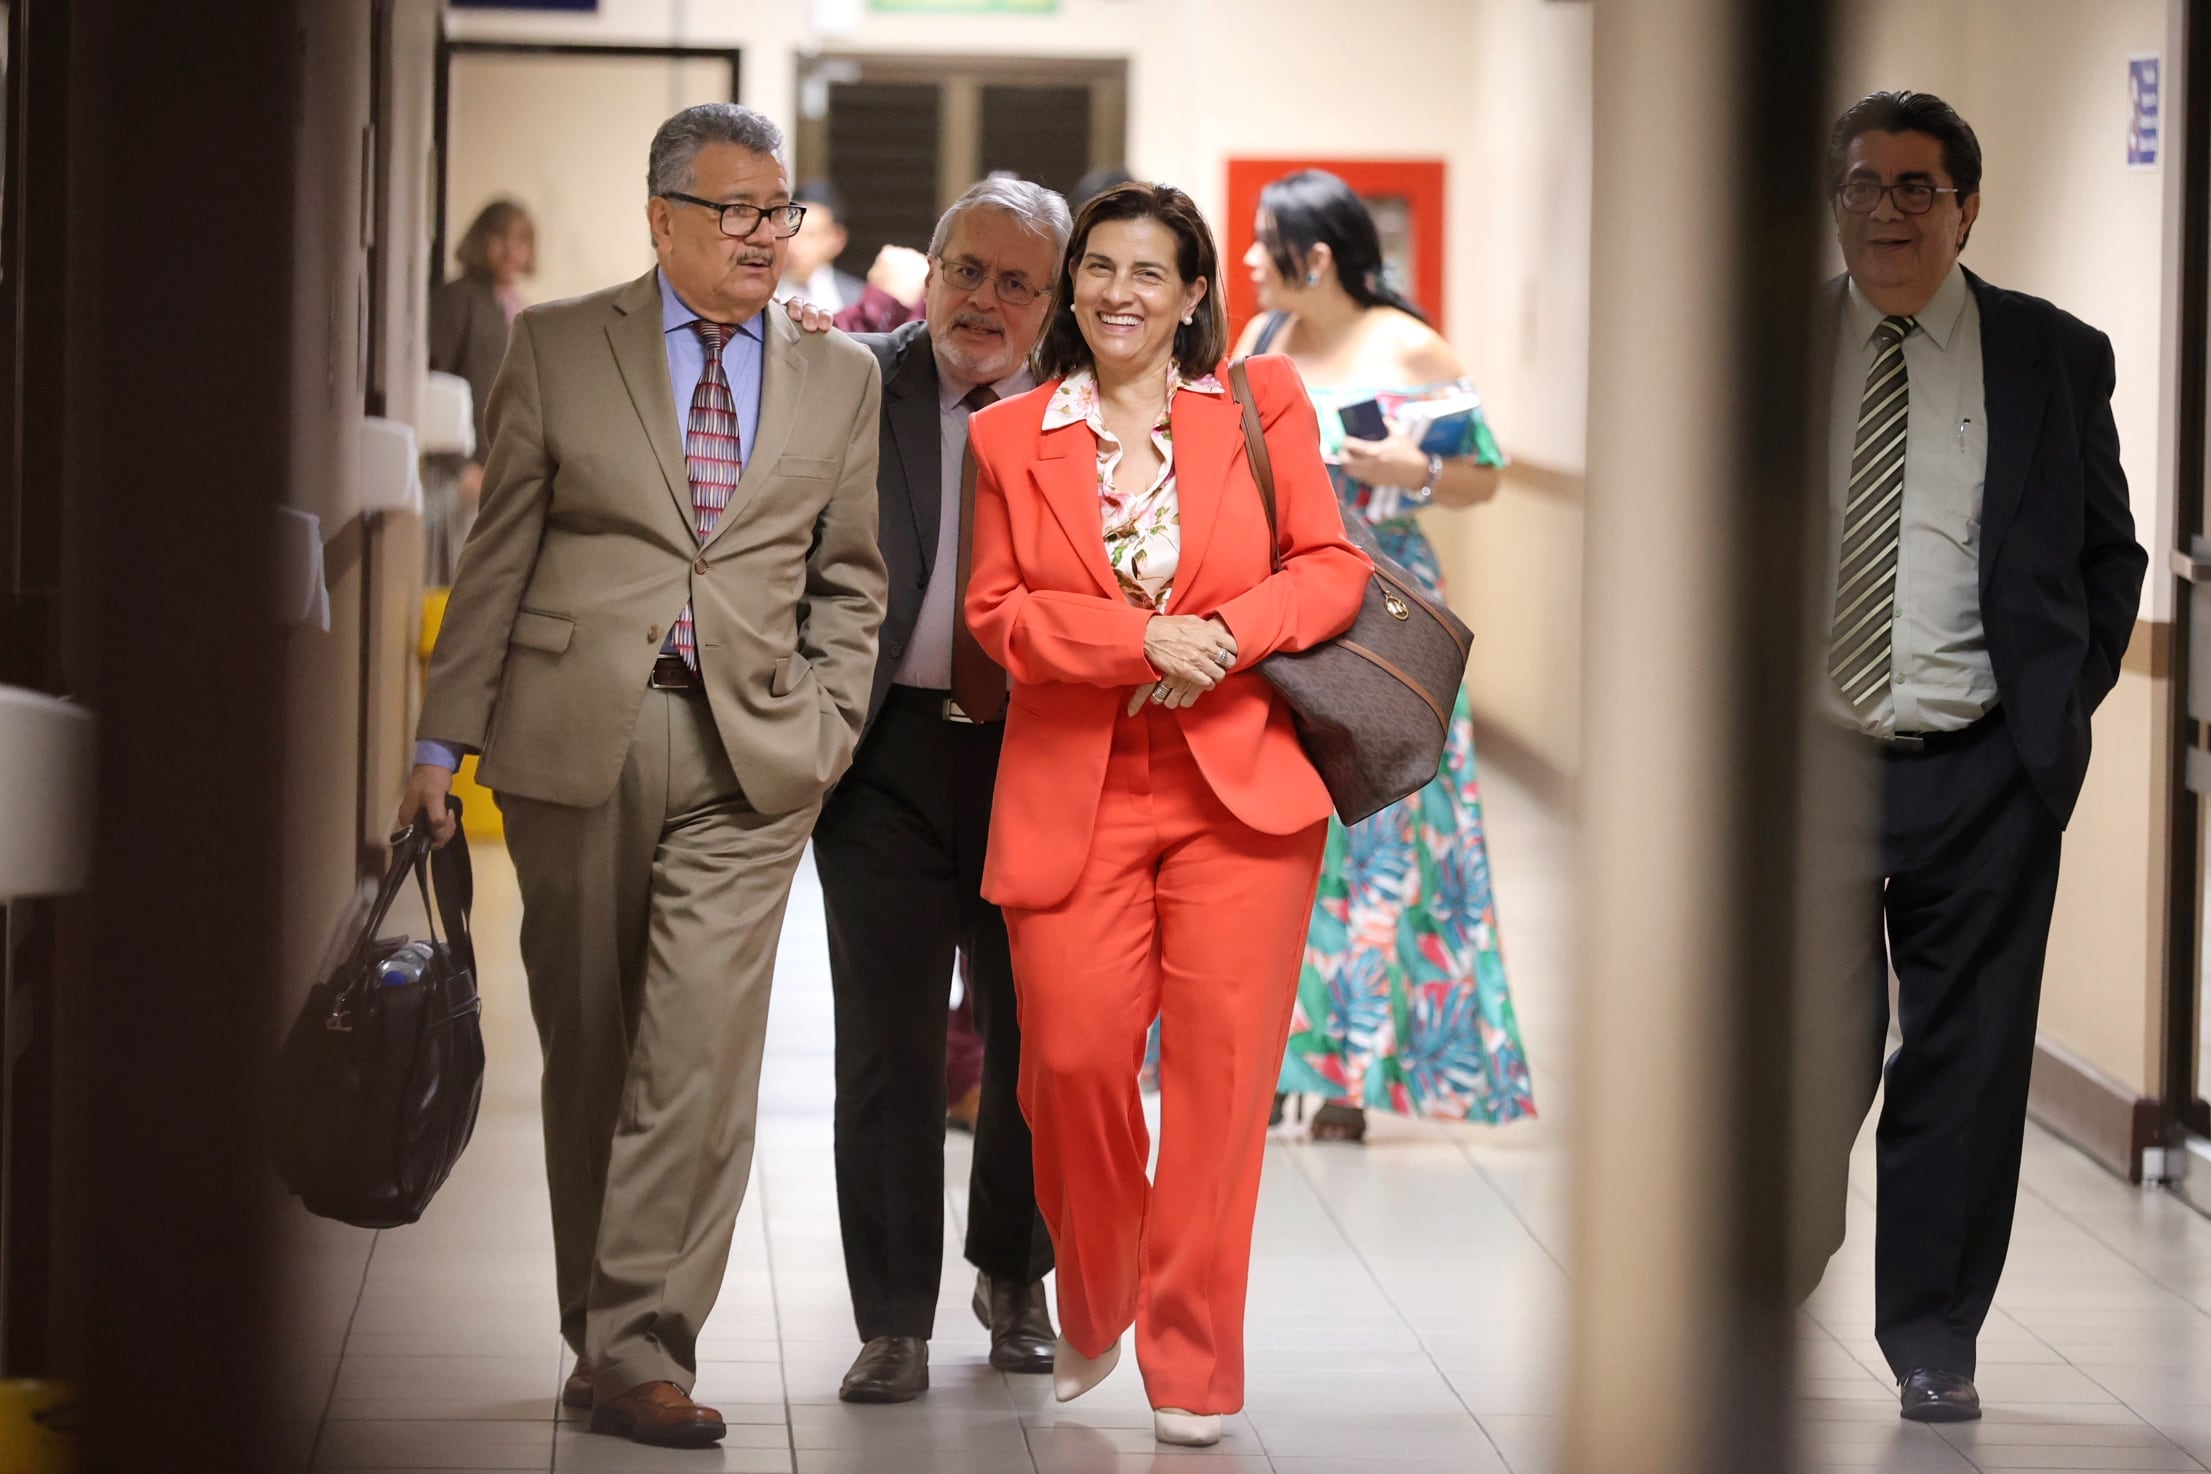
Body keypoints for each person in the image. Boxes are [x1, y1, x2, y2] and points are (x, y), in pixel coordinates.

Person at [398, 102, 887, 1449]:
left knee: (700, 1059)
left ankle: (643, 1347)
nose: (760, 235)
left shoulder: (838, 378)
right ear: (660, 216)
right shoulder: (556, 346)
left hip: (754, 752)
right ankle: (595, 1332)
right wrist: (438, 746)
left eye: (774, 210)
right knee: (594, 1053)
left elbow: (850, 579)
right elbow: (494, 559)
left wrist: (830, 717)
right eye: (732, 209)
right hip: (575, 740)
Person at [964, 182, 1370, 1447]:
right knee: (1070, 1061)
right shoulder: (1010, 435)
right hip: (1076, 786)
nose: (1119, 294)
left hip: (1238, 791)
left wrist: (1224, 637)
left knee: (1218, 1085)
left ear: (1195, 295)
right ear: (1073, 283)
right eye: (1099, 268)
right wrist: (1145, 638)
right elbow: (1002, 615)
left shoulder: (1259, 405)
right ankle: (1099, 1291)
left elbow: (1331, 565)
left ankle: (1193, 1361)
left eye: (1151, 273)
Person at [1807, 91, 2146, 1423]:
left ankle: (1931, 1334)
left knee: (1963, 1058)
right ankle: (1768, 1270)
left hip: (1981, 768)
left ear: (1965, 208)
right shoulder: (1768, 352)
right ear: (1830, 200)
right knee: (1800, 1053)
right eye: (1861, 184)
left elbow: (2104, 555)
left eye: (1914, 187)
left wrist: (2045, 718)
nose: (1884, 209)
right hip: (1807, 771)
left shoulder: (2050, 355)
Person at [811, 175, 1070, 1405]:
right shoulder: (855, 381)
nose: (986, 299)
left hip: (1036, 755)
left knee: (1036, 1037)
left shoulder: (1081, 411)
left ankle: (1014, 1276)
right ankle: (894, 1316)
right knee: (889, 1047)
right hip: (885, 760)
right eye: (968, 268)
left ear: (1051, 301)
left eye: (1019, 282)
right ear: (931, 266)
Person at [1232, 169, 1537, 1141]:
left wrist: (1416, 470)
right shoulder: (1261, 340)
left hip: (1384, 613)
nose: (1247, 259)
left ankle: (1354, 1075)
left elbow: (1483, 476)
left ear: (1314, 256)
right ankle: (1275, 1057)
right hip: (1281, 604)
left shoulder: (1410, 344)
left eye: (1262, 241)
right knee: (1285, 834)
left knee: (1387, 843)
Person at [429, 199, 536, 564]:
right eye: (500, 237)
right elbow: (432, 383)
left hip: (493, 473)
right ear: (480, 240)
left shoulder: (510, 304)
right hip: (455, 475)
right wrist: (460, 466)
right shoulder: (458, 297)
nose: (511, 250)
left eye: (521, 241)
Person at [781, 178, 866, 311]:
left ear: (838, 239)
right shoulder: (760, 294)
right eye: (791, 232)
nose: (795, 245)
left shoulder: (859, 300)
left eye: (810, 235)